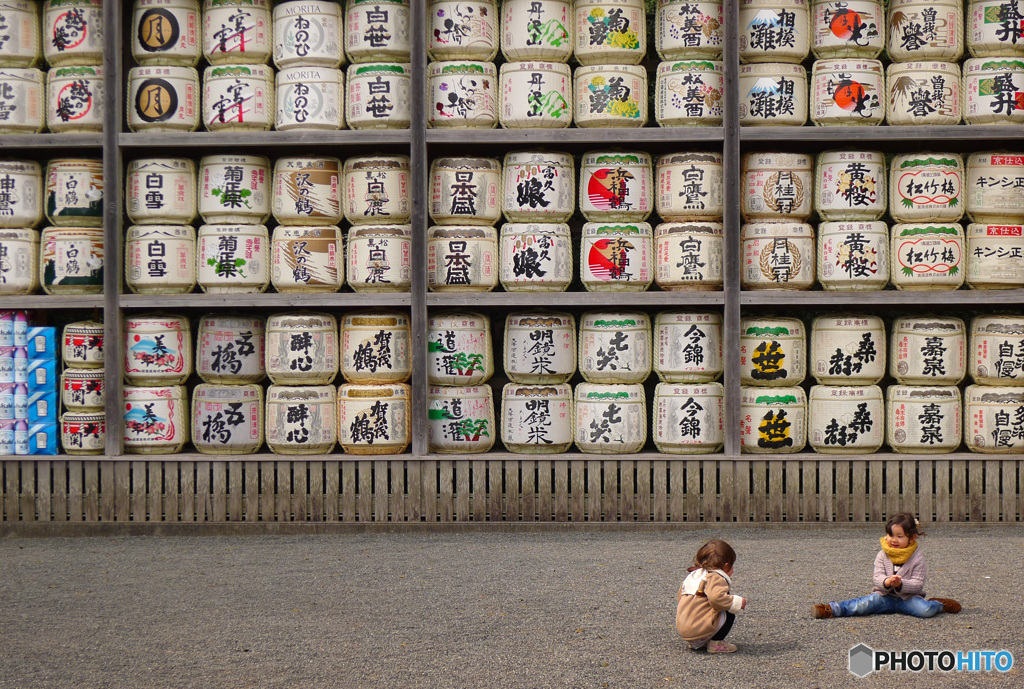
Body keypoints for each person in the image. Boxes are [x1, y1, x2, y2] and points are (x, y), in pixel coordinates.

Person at [812, 512, 961, 619]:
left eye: (899, 536)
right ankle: (831, 609)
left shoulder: (917, 557)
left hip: (908, 599)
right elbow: (877, 578)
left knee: (926, 610)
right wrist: (887, 582)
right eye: (890, 535)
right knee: (862, 605)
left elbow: (918, 584)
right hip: (884, 596)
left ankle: (940, 605)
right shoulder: (883, 554)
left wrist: (901, 584)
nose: (893, 540)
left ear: (912, 538)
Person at [676, 539, 747, 653]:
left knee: (698, 606)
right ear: (726, 566)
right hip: (701, 630)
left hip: (685, 630)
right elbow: (716, 598)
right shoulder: (715, 577)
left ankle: (697, 641)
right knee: (728, 612)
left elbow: (680, 598)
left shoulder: (693, 576)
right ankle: (716, 643)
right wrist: (736, 602)